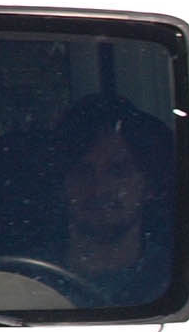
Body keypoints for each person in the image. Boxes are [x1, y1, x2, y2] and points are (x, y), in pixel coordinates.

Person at [55, 95, 176, 305]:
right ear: (62, 184)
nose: (99, 189)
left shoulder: (178, 282)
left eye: (118, 171)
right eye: (84, 171)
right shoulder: (19, 279)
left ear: (149, 185)